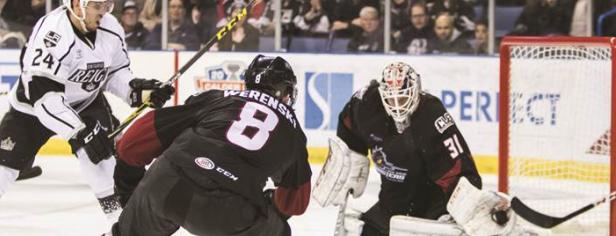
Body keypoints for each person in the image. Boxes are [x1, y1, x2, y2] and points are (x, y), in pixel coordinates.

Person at [0, 0, 174, 228]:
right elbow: (45, 100)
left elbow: (115, 73)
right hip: (32, 110)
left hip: (86, 103)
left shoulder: (111, 27)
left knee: (104, 165)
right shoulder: (52, 32)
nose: (103, 12)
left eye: (107, 5)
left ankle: (124, 227)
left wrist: (138, 91)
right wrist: (79, 131)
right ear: (76, 5)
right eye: (97, 5)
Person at [111, 54, 311, 236]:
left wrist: (129, 184)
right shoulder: (293, 132)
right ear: (286, 91)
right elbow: (294, 204)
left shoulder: (217, 98)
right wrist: (271, 202)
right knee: (278, 231)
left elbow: (133, 143)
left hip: (167, 182)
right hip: (228, 211)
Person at [328, 62, 482, 235]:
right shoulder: (367, 103)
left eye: (401, 98)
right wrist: (351, 159)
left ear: (416, 91)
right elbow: (348, 123)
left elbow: (459, 168)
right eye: (390, 99)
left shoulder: (431, 114)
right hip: (392, 204)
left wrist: (455, 210)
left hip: (431, 209)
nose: (396, 105)